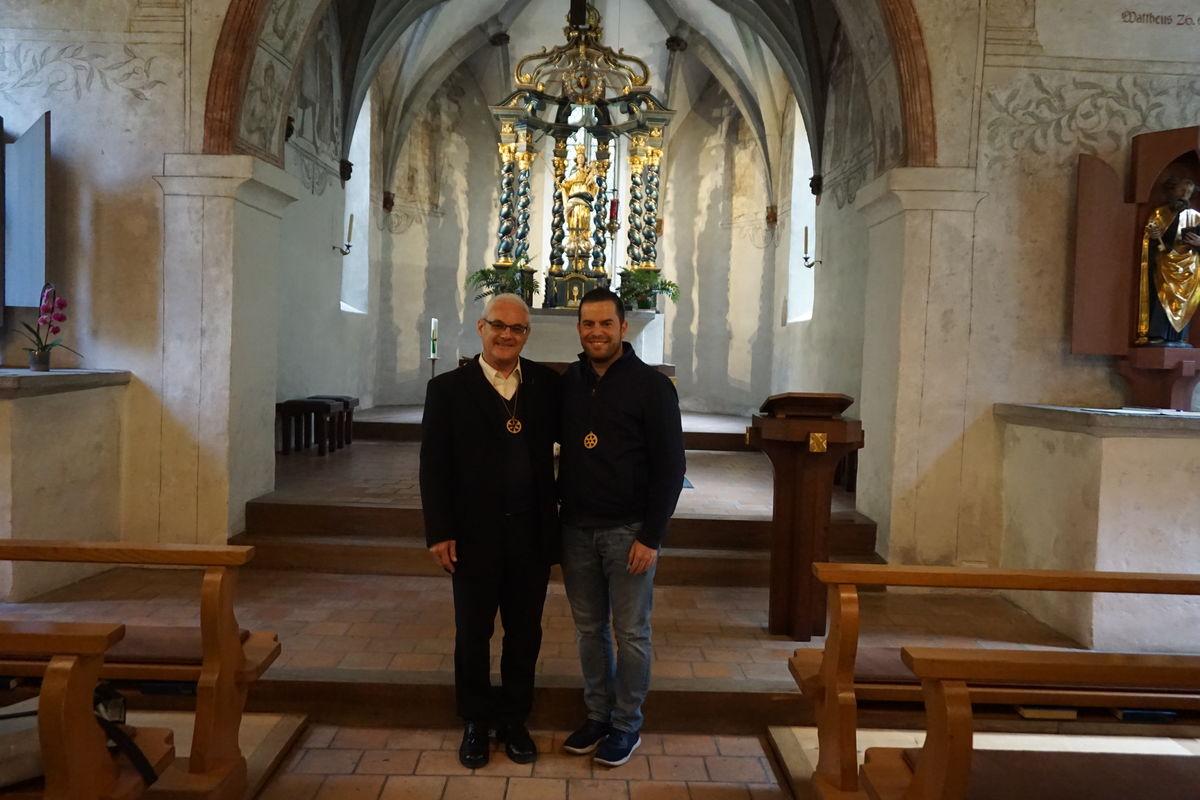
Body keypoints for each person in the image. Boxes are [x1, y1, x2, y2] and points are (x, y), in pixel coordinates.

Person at [419, 293, 561, 768]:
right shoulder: (447, 390)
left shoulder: (545, 385)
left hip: (531, 535)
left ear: (527, 334)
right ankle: (476, 720)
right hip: (473, 536)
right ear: (481, 328)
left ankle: (515, 719)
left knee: (524, 635)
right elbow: (433, 466)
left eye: (517, 328)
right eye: (498, 325)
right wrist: (439, 530)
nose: (507, 335)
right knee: (472, 634)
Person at [556, 287, 686, 767]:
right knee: (589, 630)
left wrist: (651, 536)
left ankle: (627, 723)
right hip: (576, 529)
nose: (596, 332)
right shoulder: (569, 382)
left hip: (629, 531)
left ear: (623, 327)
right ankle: (597, 714)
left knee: (630, 632)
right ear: (579, 328)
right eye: (588, 324)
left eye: (605, 324)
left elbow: (671, 466)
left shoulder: (651, 386)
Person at [1141, 176, 1200, 346]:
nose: (1184, 195)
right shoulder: (1160, 214)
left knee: (1184, 303)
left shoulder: (1196, 217)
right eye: (1181, 190)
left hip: (1189, 267)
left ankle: (1179, 337)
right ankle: (1157, 334)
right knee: (1161, 298)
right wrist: (1154, 238)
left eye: (1188, 192)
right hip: (1165, 263)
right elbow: (1151, 240)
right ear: (1172, 190)